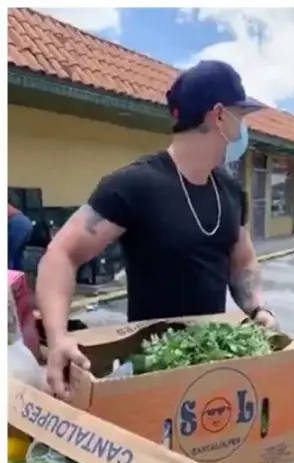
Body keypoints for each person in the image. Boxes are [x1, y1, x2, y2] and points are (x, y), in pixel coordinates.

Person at [36, 60, 278, 398]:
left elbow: (243, 260)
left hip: (210, 359)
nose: (243, 131)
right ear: (219, 115)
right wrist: (59, 336)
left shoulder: (230, 190)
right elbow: (60, 254)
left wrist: (257, 309)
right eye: (242, 116)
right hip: (151, 366)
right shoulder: (135, 185)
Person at [8, 205, 34, 271]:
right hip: (25, 222)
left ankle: (9, 278)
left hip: (17, 223)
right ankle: (18, 278)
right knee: (17, 256)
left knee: (9, 255)